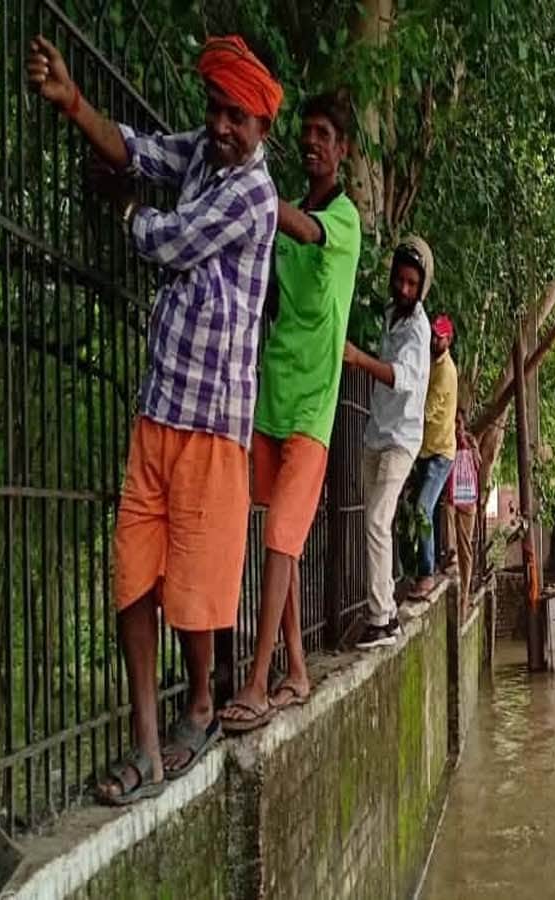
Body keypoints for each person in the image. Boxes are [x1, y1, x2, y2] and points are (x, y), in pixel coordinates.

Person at [27, 33, 280, 803]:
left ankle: (200, 705)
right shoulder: (205, 156)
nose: (220, 126)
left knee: (196, 593)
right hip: (159, 406)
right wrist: (75, 104)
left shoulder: (254, 195)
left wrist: (128, 207)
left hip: (211, 420)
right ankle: (145, 740)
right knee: (134, 575)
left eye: (235, 116)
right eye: (214, 111)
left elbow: (169, 242)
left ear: (261, 126)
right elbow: (137, 147)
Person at [219, 91, 361, 733]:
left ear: (344, 150)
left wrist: (254, 192)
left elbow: (305, 229)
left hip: (314, 406)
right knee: (281, 541)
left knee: (280, 535)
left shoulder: (345, 220)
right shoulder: (290, 210)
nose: (312, 143)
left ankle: (256, 679)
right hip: (270, 390)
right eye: (305, 133)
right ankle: (296, 670)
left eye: (324, 134)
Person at [343, 237, 434, 649]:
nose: (404, 289)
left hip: (401, 438)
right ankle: (386, 610)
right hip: (377, 431)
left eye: (412, 283)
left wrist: (359, 359)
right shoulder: (388, 314)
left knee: (378, 521)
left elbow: (401, 378)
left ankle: (382, 619)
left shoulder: (418, 329)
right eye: (399, 280)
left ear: (423, 286)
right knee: (375, 522)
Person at [409, 315, 458, 599]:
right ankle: (440, 559)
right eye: (433, 335)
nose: (435, 340)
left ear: (448, 340)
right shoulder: (431, 363)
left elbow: (427, 410)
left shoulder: (445, 372)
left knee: (421, 509)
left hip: (440, 452)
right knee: (431, 509)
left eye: (440, 337)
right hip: (429, 449)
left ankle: (426, 575)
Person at [449, 407, 482, 610]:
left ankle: (464, 595)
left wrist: (469, 447)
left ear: (464, 424)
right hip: (453, 498)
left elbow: (478, 465)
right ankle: (450, 560)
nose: (455, 427)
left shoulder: (470, 441)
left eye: (459, 423)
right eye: (453, 423)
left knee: (466, 548)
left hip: (468, 501)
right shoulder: (447, 440)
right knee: (453, 537)